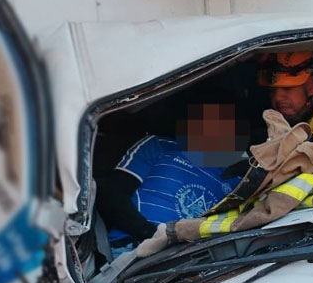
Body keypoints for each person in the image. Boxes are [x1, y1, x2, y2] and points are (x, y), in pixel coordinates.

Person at [96, 102, 247, 256]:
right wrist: (154, 235)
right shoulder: (159, 146)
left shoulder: (235, 178)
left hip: (196, 256)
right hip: (134, 248)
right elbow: (111, 194)